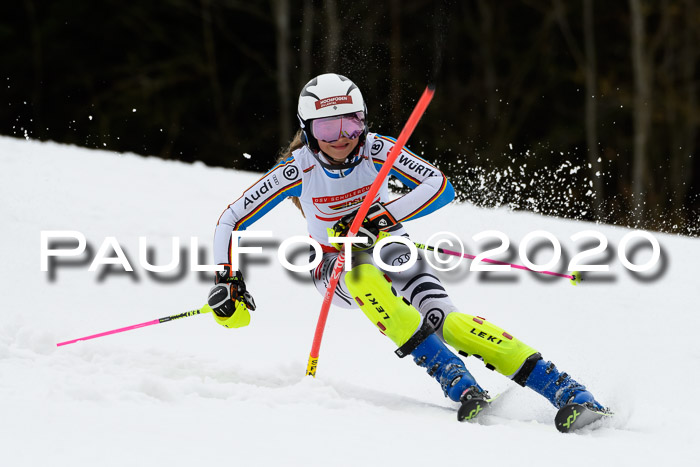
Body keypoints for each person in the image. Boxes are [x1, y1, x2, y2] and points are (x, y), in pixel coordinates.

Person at [207, 73, 607, 423]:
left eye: (351, 123)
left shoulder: (377, 149)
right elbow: (231, 220)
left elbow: (440, 186)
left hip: (388, 244)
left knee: (445, 321)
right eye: (328, 130)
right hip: (335, 261)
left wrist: (378, 217)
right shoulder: (297, 169)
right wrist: (228, 278)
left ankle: (567, 391)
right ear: (309, 130)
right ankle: (452, 375)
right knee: (361, 276)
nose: (343, 138)